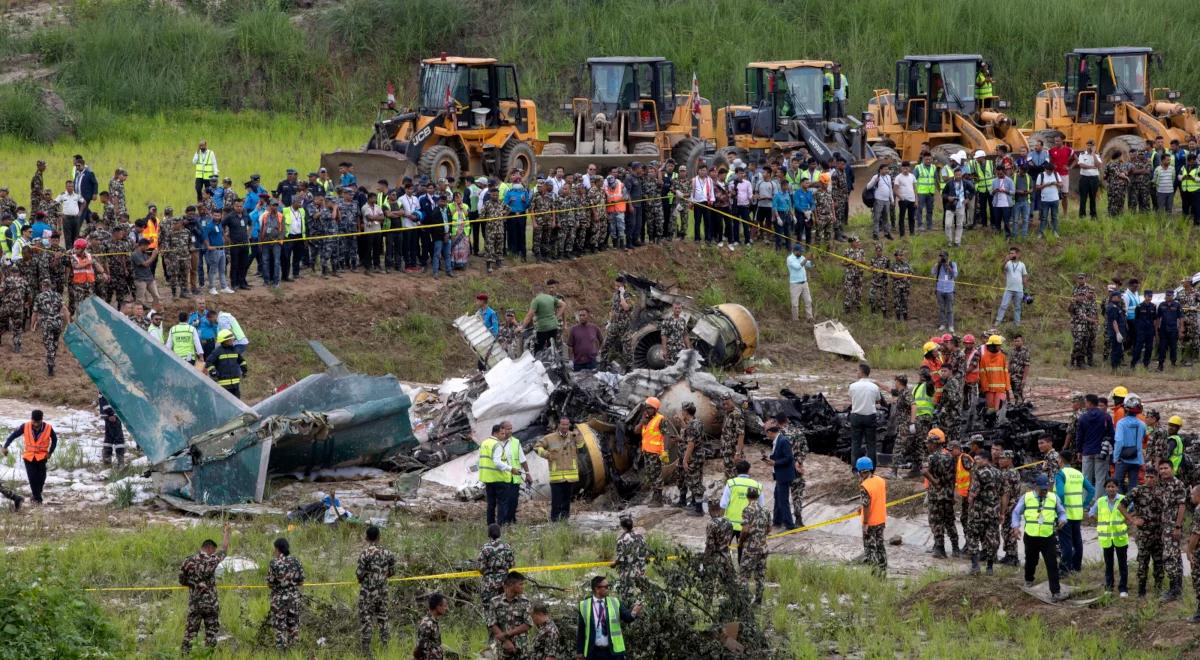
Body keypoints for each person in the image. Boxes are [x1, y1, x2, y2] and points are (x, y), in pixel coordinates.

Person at [1011, 474, 1067, 601]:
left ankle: (1056, 592)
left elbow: (1062, 512)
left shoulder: (1053, 497)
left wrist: (1063, 520)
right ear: (1035, 487)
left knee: (1052, 563)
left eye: (1046, 489)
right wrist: (1015, 527)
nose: (1044, 491)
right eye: (1042, 489)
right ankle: (1029, 579)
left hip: (1048, 536)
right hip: (1031, 536)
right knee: (1031, 561)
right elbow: (1016, 513)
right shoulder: (1026, 497)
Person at [178, 523, 231, 653]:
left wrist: (193, 585)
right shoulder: (212, 560)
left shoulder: (188, 561)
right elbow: (224, 549)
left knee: (190, 634)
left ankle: (186, 656)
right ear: (210, 548)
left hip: (195, 604)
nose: (213, 553)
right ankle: (208, 656)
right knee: (211, 635)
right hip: (211, 605)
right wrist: (226, 532)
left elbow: (181, 580)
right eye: (213, 550)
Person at [576, 575, 642, 660]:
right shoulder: (584, 605)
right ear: (597, 589)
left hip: (613, 652)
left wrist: (634, 612)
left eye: (609, 586)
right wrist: (580, 652)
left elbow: (627, 617)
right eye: (606, 587)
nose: (608, 589)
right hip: (593, 652)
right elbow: (581, 630)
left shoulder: (615, 602)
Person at [1088, 478, 1133, 597]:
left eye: (1113, 486)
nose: (1111, 489)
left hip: (1120, 537)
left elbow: (1134, 510)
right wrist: (1099, 520)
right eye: (1108, 486)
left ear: (1117, 488)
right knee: (1109, 564)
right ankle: (1109, 587)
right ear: (1105, 488)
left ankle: (1123, 588)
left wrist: (1127, 520)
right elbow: (1091, 514)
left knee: (1123, 563)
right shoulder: (1101, 501)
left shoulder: (1123, 499)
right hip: (1106, 538)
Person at [3, 409, 57, 505]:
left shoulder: (48, 428)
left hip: (42, 457)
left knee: (41, 479)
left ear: (41, 420)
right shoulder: (25, 426)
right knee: (32, 478)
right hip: (29, 457)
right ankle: (37, 500)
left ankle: (36, 495)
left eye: (38, 422)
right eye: (34, 421)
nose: (35, 424)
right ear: (31, 419)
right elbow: (14, 435)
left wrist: (50, 452)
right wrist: (5, 446)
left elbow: (55, 439)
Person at [534, 416, 584, 521]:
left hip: (570, 476)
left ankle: (565, 520)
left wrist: (578, 435)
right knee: (556, 501)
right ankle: (555, 521)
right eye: (563, 424)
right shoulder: (550, 438)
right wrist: (547, 454)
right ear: (559, 425)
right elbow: (536, 447)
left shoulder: (573, 436)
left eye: (567, 424)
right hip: (556, 476)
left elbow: (581, 447)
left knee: (566, 500)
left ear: (569, 425)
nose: (565, 427)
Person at [356, 525, 396, 653]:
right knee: (383, 619)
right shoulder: (388, 553)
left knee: (366, 620)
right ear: (379, 537)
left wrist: (365, 579)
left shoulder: (365, 554)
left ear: (366, 538)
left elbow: (359, 574)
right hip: (383, 592)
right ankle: (385, 649)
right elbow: (392, 571)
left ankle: (366, 651)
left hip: (367, 593)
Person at [1055, 450, 1094, 576]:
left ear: (1060, 459)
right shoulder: (1078, 473)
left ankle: (1064, 569)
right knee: (1077, 541)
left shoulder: (1061, 474)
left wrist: (1060, 508)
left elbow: (1060, 493)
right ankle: (1076, 567)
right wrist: (1085, 504)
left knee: (1065, 542)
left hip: (1065, 514)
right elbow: (1091, 490)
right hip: (1077, 513)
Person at [1155, 458, 1188, 602]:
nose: (1163, 471)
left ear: (1172, 469)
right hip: (1164, 526)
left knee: (1169, 557)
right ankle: (1177, 588)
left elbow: (1182, 506)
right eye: (1161, 469)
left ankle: (1173, 590)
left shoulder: (1177, 484)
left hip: (1173, 527)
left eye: (1165, 468)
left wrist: (1178, 527)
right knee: (1175, 556)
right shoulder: (1162, 484)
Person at [1128, 468, 1164, 597]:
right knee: (1143, 563)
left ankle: (1158, 590)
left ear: (1157, 478)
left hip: (1159, 534)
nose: (1149, 479)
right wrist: (1132, 520)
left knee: (1159, 563)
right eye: (1147, 476)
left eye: (1152, 477)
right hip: (1144, 535)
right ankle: (1141, 591)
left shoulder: (1161, 491)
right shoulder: (1137, 490)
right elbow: (1121, 505)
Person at [965, 451, 1001, 575]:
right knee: (991, 539)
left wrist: (970, 507)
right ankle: (990, 568)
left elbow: (973, 494)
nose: (976, 462)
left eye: (978, 459)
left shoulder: (978, 472)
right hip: (993, 512)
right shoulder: (998, 472)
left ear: (986, 459)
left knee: (972, 536)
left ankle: (975, 566)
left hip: (978, 512)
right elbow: (1003, 492)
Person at [266, 537, 304, 650]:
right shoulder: (296, 561)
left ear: (277, 549)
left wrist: (280, 585)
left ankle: (281, 652)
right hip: (294, 599)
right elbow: (301, 581)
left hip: (279, 600)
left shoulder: (274, 563)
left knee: (279, 627)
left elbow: (269, 583)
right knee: (293, 625)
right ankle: (294, 650)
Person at [488, 571, 532, 660]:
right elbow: (492, 623)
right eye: (520, 584)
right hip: (503, 648)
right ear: (512, 585)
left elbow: (527, 624)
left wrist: (507, 634)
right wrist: (506, 641)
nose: (523, 587)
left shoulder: (525, 601)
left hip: (522, 648)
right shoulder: (495, 602)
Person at [738, 487, 771, 603]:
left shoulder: (747, 510)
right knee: (760, 576)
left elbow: (745, 530)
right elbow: (769, 529)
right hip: (763, 548)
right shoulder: (766, 510)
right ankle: (758, 600)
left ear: (747, 497)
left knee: (744, 576)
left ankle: (744, 601)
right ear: (757, 496)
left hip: (750, 549)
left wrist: (741, 542)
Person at [31, 279, 69, 376]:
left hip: (47, 324)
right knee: (55, 343)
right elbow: (65, 309)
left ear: (43, 286)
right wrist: (68, 322)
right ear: (50, 286)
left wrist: (32, 326)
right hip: (57, 323)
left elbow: (35, 313)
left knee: (49, 345)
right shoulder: (58, 295)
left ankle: (50, 367)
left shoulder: (39, 297)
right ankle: (52, 361)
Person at [856, 456, 887, 574]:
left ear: (860, 471)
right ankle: (883, 571)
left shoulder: (865, 486)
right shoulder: (880, 480)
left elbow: (867, 505)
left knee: (870, 549)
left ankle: (874, 574)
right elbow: (875, 498)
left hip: (870, 523)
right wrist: (862, 508)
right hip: (881, 520)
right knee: (880, 546)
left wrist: (865, 523)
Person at [634, 396, 668, 507]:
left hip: (656, 453)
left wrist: (664, 452)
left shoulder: (661, 419)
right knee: (650, 475)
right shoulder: (645, 419)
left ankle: (658, 500)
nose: (647, 410)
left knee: (656, 475)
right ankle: (655, 497)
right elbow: (636, 431)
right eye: (646, 408)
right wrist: (642, 422)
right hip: (647, 452)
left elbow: (666, 436)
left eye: (650, 408)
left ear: (655, 409)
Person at [848, 362, 883, 466]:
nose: (856, 372)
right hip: (870, 417)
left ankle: (855, 468)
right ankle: (871, 468)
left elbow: (851, 398)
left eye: (857, 370)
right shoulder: (874, 387)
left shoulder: (853, 386)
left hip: (856, 416)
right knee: (871, 444)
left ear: (862, 372)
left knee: (855, 443)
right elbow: (878, 400)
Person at [763, 421, 795, 530]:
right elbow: (778, 455)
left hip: (784, 475)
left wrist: (775, 463)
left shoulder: (783, 441)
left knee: (783, 500)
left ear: (771, 432)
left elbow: (788, 458)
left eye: (767, 434)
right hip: (780, 475)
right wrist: (769, 459)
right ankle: (777, 521)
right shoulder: (777, 441)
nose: (767, 436)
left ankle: (790, 525)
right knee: (777, 497)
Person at [1077, 394, 1113, 488]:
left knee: (1086, 478)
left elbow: (1079, 436)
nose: (1085, 404)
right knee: (1100, 479)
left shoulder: (1083, 418)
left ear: (1089, 403)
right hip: (1102, 451)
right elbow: (1112, 435)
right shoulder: (1106, 417)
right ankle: (1098, 501)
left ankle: (1085, 501)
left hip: (1087, 452)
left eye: (1085, 402)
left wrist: (1079, 451)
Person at [1112, 394, 1146, 494]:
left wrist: (1115, 458)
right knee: (1133, 485)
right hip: (1136, 460)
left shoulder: (1121, 423)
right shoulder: (1142, 424)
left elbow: (1119, 441)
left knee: (1118, 483)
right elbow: (1143, 438)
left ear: (1126, 409)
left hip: (1122, 459)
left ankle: (1120, 504)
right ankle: (1130, 505)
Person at [521, 281, 565, 353]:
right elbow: (563, 305)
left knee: (538, 349)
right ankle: (553, 361)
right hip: (554, 327)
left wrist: (522, 327)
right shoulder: (550, 297)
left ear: (534, 291)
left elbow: (529, 315)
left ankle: (540, 362)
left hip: (543, 328)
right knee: (552, 347)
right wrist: (556, 317)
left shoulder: (536, 300)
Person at [478, 524, 515, 602]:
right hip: (505, 581)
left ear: (489, 534)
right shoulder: (507, 547)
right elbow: (512, 564)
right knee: (505, 605)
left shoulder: (485, 548)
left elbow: (481, 567)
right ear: (499, 533)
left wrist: (487, 572)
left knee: (488, 605)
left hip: (489, 582)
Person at [205, 329, 246, 398]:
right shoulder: (217, 351)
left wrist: (244, 369)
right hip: (223, 386)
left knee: (237, 405)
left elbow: (242, 361)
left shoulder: (234, 350)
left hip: (235, 384)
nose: (232, 340)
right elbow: (209, 362)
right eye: (231, 339)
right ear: (225, 341)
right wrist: (213, 371)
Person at [995, 246, 1028, 325]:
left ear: (1017, 254)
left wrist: (1026, 289)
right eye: (1010, 253)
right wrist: (1006, 260)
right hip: (1009, 289)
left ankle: (1017, 324)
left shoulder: (1022, 265)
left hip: (1019, 290)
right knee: (1003, 305)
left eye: (1012, 253)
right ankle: (998, 321)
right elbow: (1001, 268)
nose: (1011, 255)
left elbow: (1025, 276)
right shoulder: (1008, 263)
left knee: (1017, 308)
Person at [414, 593, 449, 660]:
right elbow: (420, 649)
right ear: (438, 607)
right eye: (444, 606)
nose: (446, 608)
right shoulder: (427, 624)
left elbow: (435, 644)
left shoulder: (433, 622)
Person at [785, 243, 814, 322]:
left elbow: (810, 265)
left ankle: (810, 317)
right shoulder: (790, 259)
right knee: (795, 304)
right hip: (795, 284)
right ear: (795, 251)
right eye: (800, 252)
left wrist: (812, 259)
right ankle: (795, 319)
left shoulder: (802, 257)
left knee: (808, 301)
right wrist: (806, 259)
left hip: (804, 283)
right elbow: (797, 267)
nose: (801, 253)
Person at [1156, 289, 1183, 370]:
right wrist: (1157, 329)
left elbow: (1181, 318)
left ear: (1172, 296)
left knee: (1173, 347)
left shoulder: (1177, 305)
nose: (1168, 297)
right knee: (1162, 347)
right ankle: (1160, 364)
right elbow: (1158, 318)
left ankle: (1173, 363)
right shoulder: (1161, 305)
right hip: (1163, 330)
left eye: (1170, 295)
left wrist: (1181, 329)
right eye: (1167, 295)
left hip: (1173, 329)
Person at [1075, 140, 1102, 218]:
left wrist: (1093, 154)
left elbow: (1098, 165)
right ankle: (1082, 215)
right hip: (1084, 178)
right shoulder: (1082, 154)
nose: (1090, 147)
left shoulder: (1096, 155)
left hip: (1094, 179)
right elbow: (1082, 165)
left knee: (1093, 198)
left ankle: (1093, 215)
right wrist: (1091, 167)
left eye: (1092, 145)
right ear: (1086, 145)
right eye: (1088, 145)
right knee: (1083, 198)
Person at [1035, 162, 1062, 237]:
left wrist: (1055, 183)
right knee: (1044, 217)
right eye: (1049, 171)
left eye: (1052, 171)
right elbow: (1037, 187)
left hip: (1055, 199)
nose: (1050, 172)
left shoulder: (1056, 174)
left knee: (1055, 217)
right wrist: (1046, 185)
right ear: (1045, 169)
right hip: (1045, 200)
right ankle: (1041, 232)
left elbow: (1061, 184)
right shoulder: (1041, 175)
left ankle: (1055, 231)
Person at [1186, 485, 1200, 621]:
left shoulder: (1199, 510)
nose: (1190, 497)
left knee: (1198, 580)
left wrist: (1189, 551)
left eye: (1192, 495)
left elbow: (1196, 534)